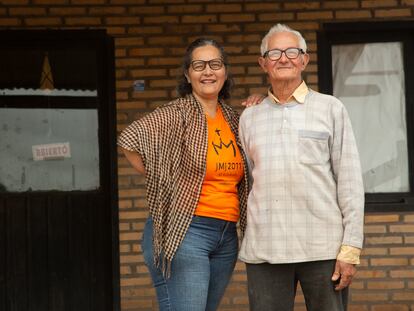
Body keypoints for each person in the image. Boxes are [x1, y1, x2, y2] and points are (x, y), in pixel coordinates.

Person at [238, 23, 364, 311]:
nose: (284, 58)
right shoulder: (250, 117)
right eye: (275, 53)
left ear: (305, 60)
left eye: (293, 51)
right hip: (265, 250)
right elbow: (244, 181)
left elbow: (350, 182)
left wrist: (351, 248)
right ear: (263, 63)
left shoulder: (330, 108)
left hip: (323, 249)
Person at [118, 38, 250, 311]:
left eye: (215, 64)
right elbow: (129, 138)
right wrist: (161, 176)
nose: (208, 72)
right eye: (199, 65)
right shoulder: (176, 114)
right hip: (186, 231)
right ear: (188, 75)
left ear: (225, 72)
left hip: (226, 234)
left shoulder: (234, 119)